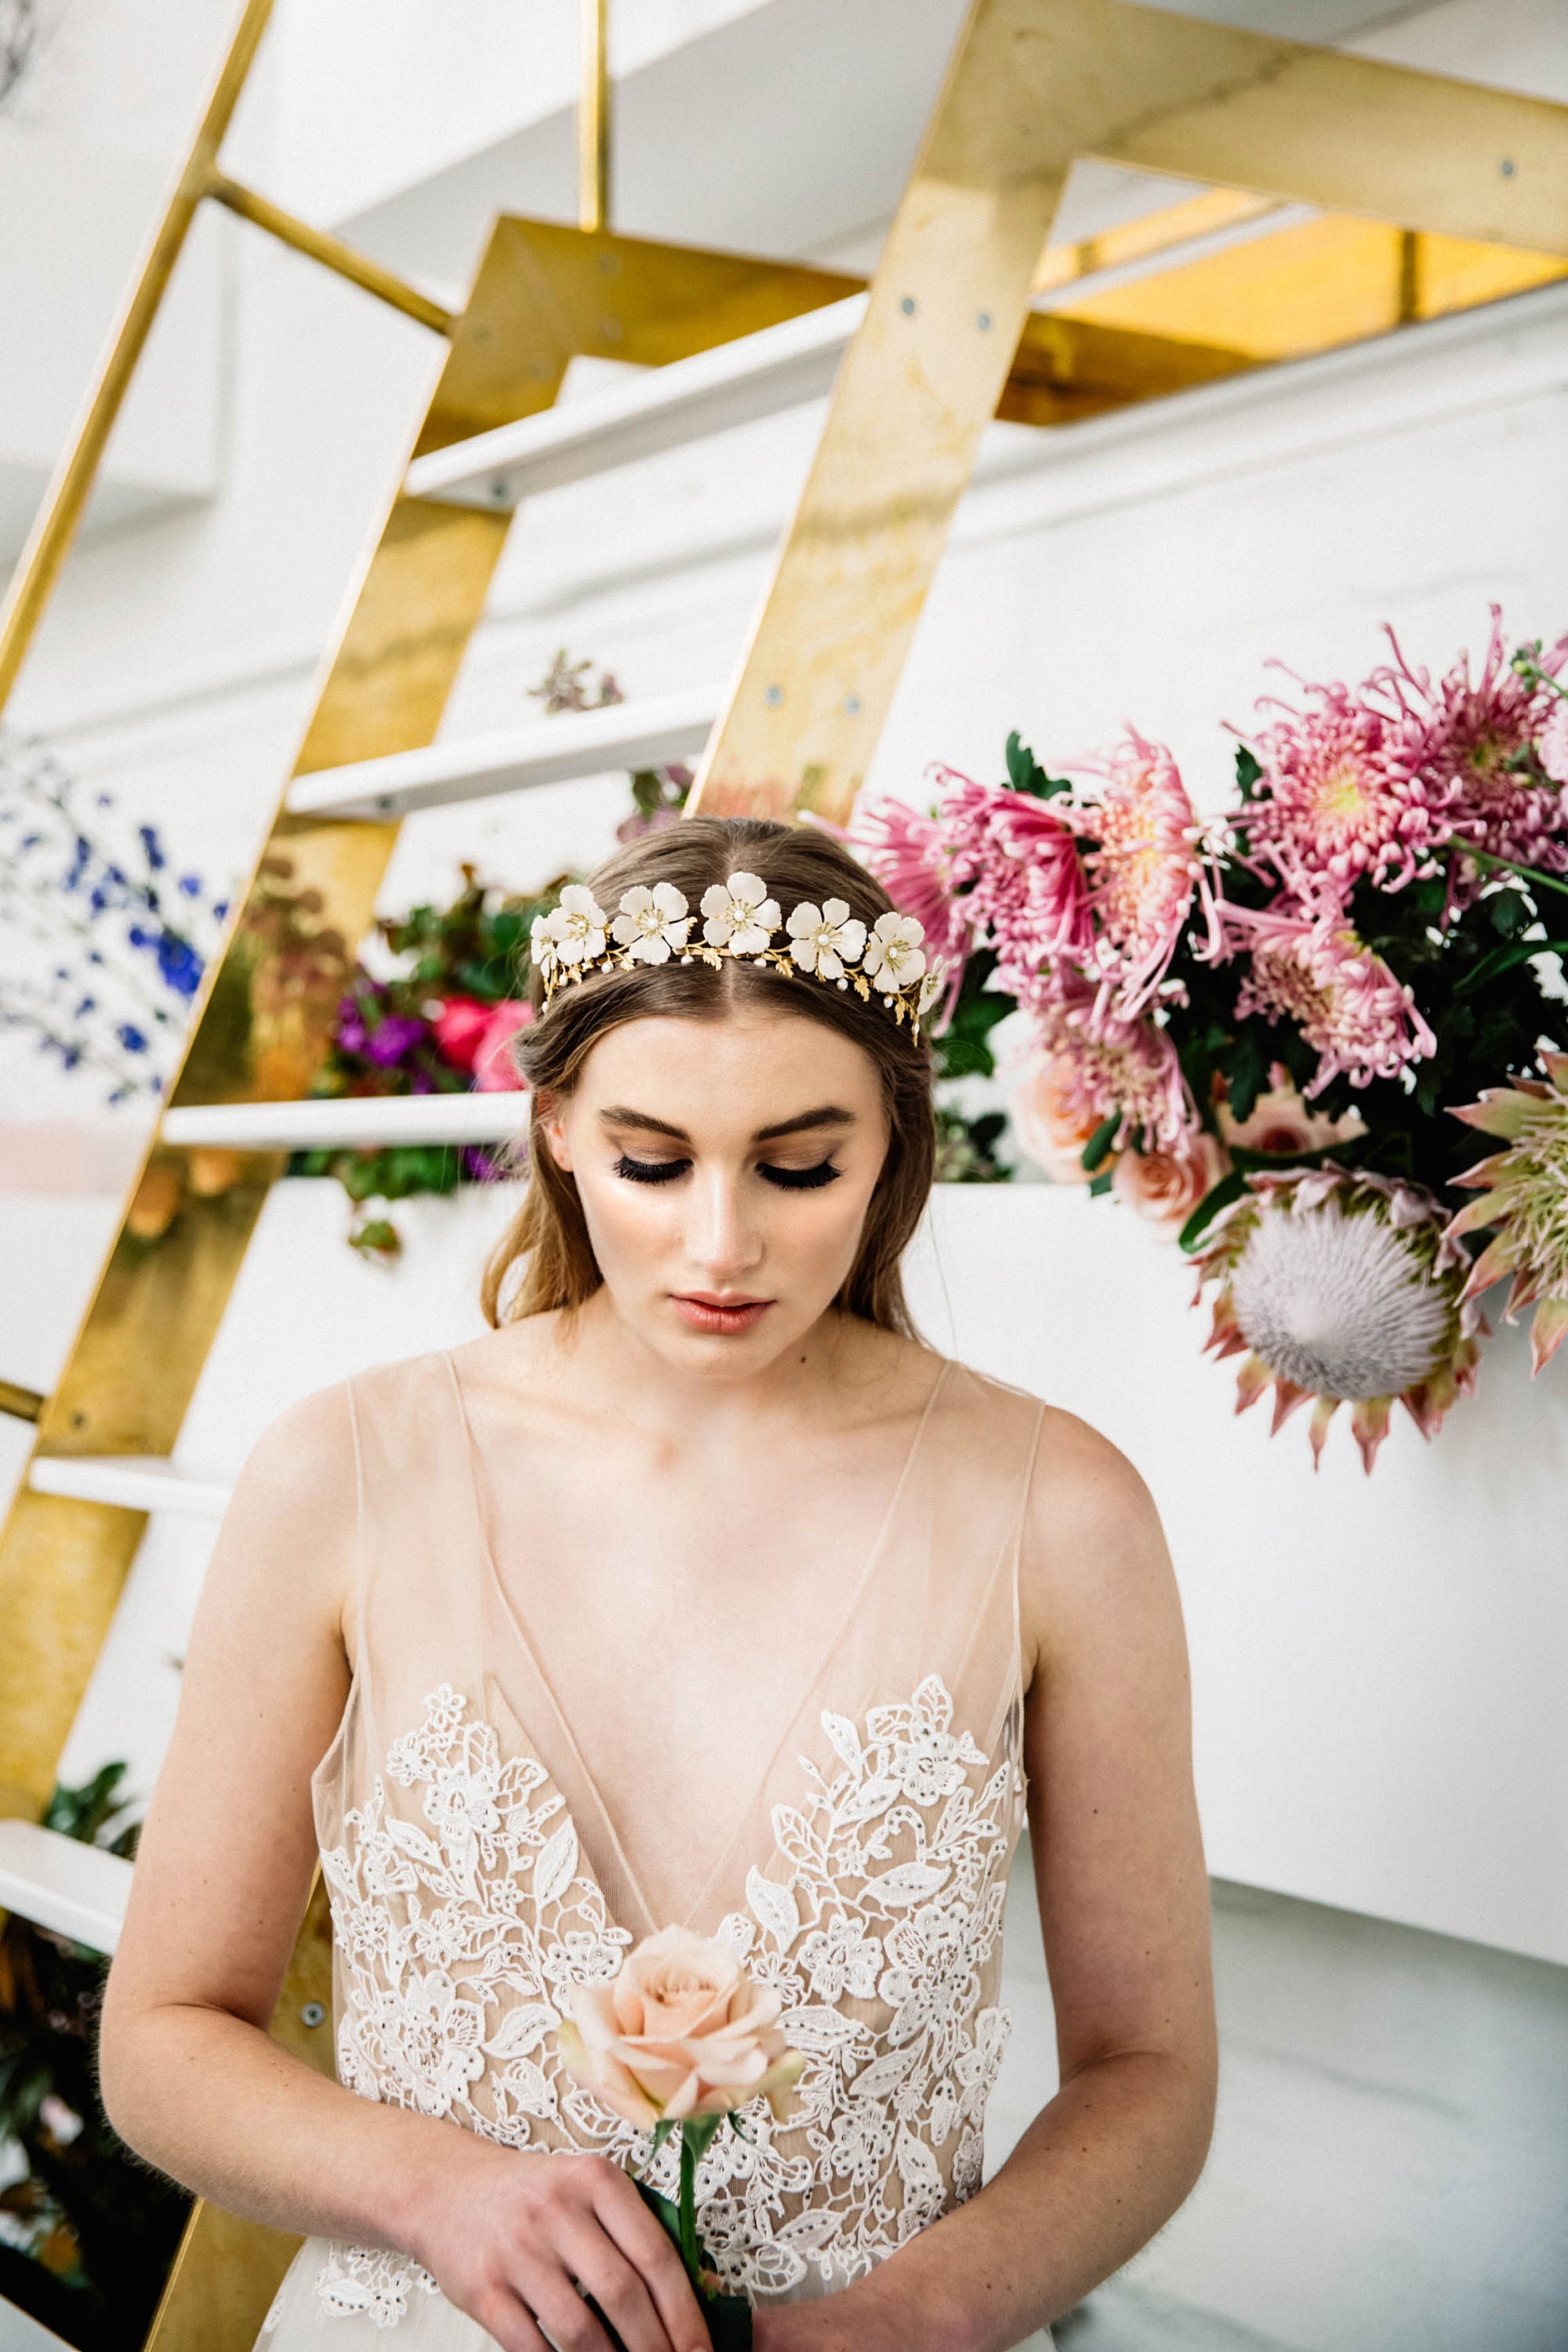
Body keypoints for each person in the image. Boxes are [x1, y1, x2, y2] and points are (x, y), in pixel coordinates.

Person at [100, 815, 1216, 2352]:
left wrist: (917, 2316)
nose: (721, 1243)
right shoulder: (341, 1472)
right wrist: (436, 2191)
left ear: (893, 1143)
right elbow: (164, 2037)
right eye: (648, 1160)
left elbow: (1148, 2067)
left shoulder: (1061, 1513)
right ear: (555, 1123)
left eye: (799, 1165)